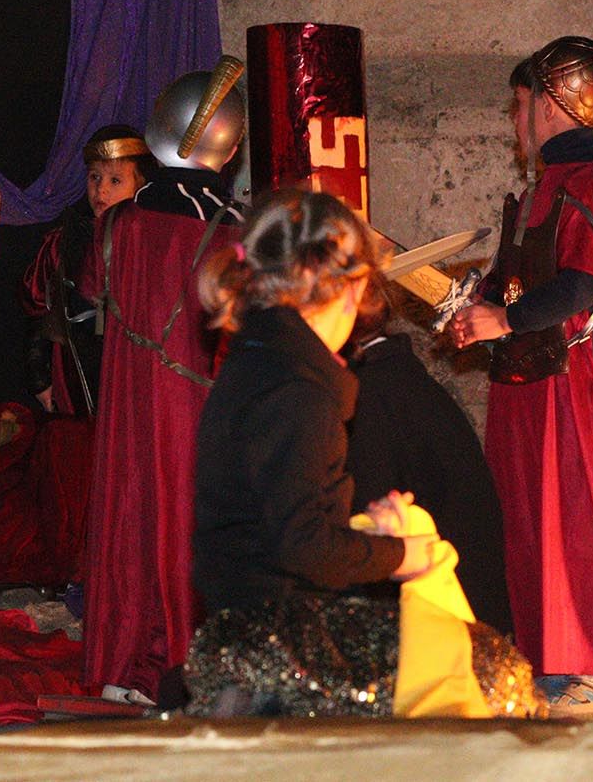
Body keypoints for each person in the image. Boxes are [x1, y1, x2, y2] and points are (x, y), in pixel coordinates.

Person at [184, 190, 539, 719]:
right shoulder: (298, 391)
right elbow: (305, 549)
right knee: (486, 674)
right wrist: (406, 557)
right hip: (278, 646)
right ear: (349, 291)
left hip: (249, 626)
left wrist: (368, 532)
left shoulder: (259, 363)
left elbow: (277, 520)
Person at [451, 20, 593, 719]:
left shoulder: (589, 181)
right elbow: (517, 285)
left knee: (573, 524)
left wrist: (505, 319)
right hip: (530, 392)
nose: (514, 121)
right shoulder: (545, 189)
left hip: (573, 394)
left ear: (550, 105)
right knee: (528, 527)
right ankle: (549, 667)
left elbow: (585, 284)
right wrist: (468, 307)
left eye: (519, 105)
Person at [74, 60, 247, 702]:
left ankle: (124, 666)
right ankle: (178, 665)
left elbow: (92, 293)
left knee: (128, 516)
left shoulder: (119, 221)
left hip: (128, 405)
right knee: (182, 522)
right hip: (194, 405)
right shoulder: (230, 230)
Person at [343, 281, 515, 638]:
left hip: (455, 625)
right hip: (475, 607)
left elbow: (366, 519)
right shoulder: (398, 376)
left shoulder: (372, 391)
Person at [20, 124, 154, 417]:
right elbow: (38, 312)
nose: (101, 190)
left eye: (116, 180)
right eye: (95, 177)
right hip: (75, 382)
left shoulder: (151, 245)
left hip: (134, 382)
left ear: (140, 185)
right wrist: (40, 379)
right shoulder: (64, 242)